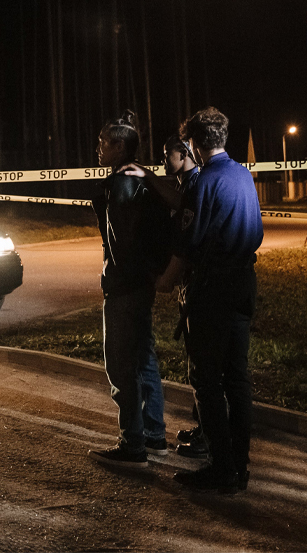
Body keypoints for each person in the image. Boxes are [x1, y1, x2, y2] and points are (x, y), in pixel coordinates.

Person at [129, 107, 262, 493]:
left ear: (194, 143)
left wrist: (165, 282)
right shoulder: (242, 175)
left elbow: (186, 246)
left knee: (206, 379)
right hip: (244, 284)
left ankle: (220, 468)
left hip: (212, 290)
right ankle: (239, 466)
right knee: (237, 378)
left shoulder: (203, 183)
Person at [88, 111, 169, 468]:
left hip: (125, 287)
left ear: (120, 146)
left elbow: (122, 242)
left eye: (103, 143)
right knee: (144, 358)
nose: (98, 148)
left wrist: (116, 278)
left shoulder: (121, 182)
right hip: (142, 283)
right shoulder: (142, 179)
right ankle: (154, 435)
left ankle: (132, 445)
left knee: (122, 365)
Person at [161, 134, 210, 459]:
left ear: (185, 153)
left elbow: (188, 241)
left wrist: (168, 278)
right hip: (190, 284)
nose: (164, 160)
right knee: (196, 359)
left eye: (168, 154)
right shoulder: (183, 184)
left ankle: (209, 434)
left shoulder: (195, 185)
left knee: (202, 364)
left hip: (198, 284)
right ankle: (203, 424)